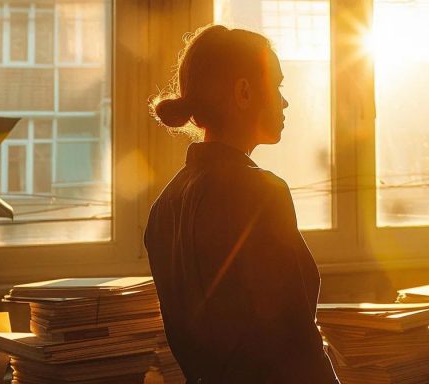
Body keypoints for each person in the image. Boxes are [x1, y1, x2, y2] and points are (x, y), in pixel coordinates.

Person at [144, 25, 338, 383]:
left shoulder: (164, 207)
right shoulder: (259, 192)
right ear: (244, 92)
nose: (285, 101)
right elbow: (295, 344)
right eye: (277, 85)